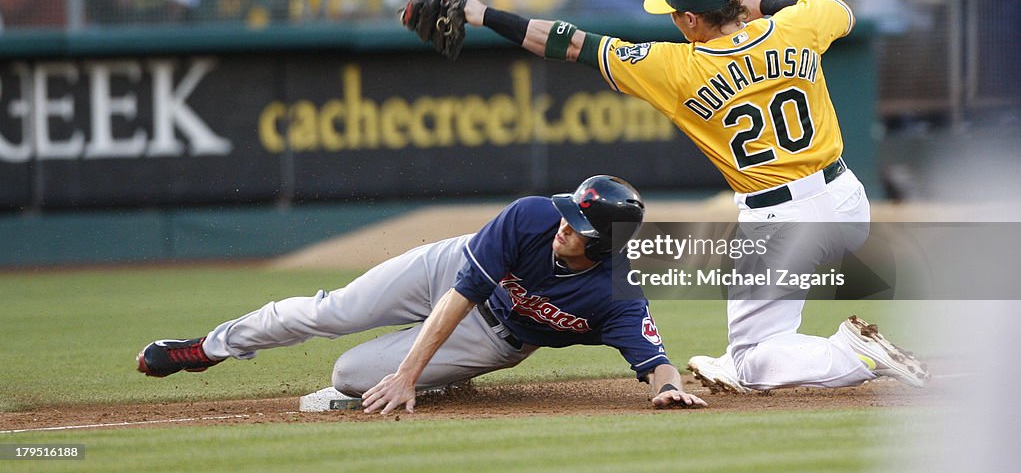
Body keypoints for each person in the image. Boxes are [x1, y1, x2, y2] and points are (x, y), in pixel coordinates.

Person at [425, 0, 930, 394]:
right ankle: (743, 357)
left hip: (783, 217)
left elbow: (567, 43)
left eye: (673, 13)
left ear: (691, 18)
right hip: (845, 198)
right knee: (752, 340)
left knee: (756, 357)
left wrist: (479, 12)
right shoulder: (795, 27)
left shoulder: (675, 66)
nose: (671, 21)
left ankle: (854, 354)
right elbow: (841, 10)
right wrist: (767, 3)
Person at [136, 175, 708, 414]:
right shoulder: (532, 216)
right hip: (452, 270)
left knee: (348, 376)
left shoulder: (618, 294)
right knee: (336, 310)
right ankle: (208, 347)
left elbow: (655, 362)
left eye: (577, 228)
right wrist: (410, 373)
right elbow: (461, 293)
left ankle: (437, 377)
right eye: (567, 215)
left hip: (495, 339)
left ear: (603, 246)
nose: (563, 226)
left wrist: (670, 392)